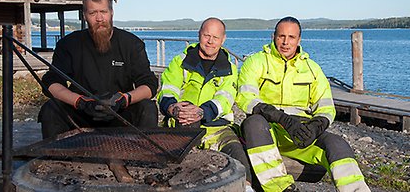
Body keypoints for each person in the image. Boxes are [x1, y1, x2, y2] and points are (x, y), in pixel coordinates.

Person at [236, 16, 370, 192]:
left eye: (291, 37)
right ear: (273, 36)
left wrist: (316, 126)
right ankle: (281, 188)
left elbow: (326, 107)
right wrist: (280, 118)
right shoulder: (256, 62)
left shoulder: (312, 68)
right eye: (281, 36)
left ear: (299, 40)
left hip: (302, 132)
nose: (285, 42)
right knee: (253, 123)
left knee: (337, 145)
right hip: (268, 130)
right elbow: (245, 97)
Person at [38, 0, 158, 139]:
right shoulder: (68, 44)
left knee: (148, 107)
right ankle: (57, 157)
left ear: (111, 13)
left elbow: (149, 85)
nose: (99, 18)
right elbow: (51, 83)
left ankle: (144, 157)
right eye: (93, 13)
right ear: (84, 16)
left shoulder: (132, 44)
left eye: (103, 12)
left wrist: (124, 99)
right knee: (51, 107)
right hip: (82, 114)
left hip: (120, 114)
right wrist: (80, 102)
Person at [157, 17, 254, 191]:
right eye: (206, 35)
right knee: (177, 171)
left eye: (215, 37)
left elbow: (225, 99)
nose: (210, 41)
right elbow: (167, 89)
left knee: (239, 159)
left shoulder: (230, 69)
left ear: (223, 40)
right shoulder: (181, 61)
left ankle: (246, 188)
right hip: (182, 123)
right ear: (199, 35)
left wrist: (202, 112)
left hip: (217, 129)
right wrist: (173, 108)